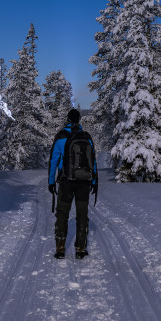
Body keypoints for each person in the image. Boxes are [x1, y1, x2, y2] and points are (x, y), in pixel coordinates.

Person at [48, 108, 98, 259]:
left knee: (63, 213)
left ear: (68, 119)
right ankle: (80, 248)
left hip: (66, 181)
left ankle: (60, 248)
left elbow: (54, 161)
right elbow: (93, 161)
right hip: (84, 182)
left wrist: (51, 182)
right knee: (82, 214)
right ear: (79, 120)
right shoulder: (86, 137)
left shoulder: (61, 137)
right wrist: (94, 181)